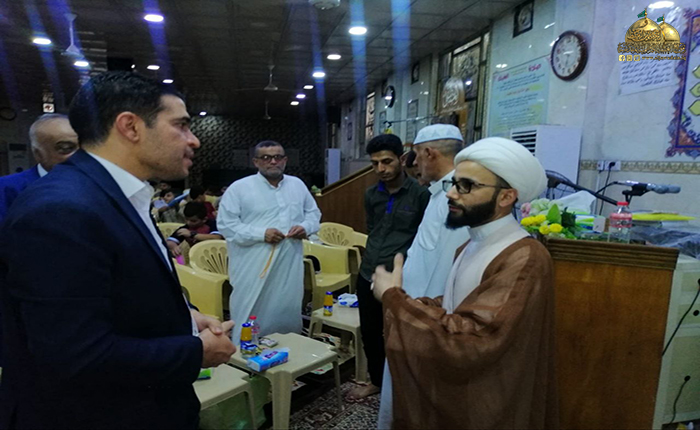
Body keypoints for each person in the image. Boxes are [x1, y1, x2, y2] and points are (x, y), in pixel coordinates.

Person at [0, 71, 236, 429]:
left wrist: (186, 318)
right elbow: (75, 355)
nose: (194, 140)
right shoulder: (62, 209)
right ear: (131, 127)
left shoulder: (116, 194)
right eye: (181, 125)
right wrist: (196, 351)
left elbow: (121, 293)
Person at [372, 137, 558, 429]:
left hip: (489, 398)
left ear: (506, 197)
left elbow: (473, 340)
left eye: (466, 186)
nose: (451, 194)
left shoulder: (524, 257)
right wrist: (413, 303)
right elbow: (456, 305)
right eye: (454, 183)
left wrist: (395, 298)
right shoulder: (471, 244)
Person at [378, 124, 470, 426]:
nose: (414, 163)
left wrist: (422, 314)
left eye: (416, 155)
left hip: (428, 316)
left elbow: (449, 268)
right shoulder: (438, 193)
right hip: (414, 308)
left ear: (430, 153)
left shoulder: (455, 199)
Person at [217, 140, 321, 345]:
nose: (273, 161)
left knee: (287, 306)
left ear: (285, 160)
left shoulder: (297, 185)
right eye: (266, 157)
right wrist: (261, 234)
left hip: (289, 262)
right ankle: (244, 354)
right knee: (250, 310)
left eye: (278, 157)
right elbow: (226, 225)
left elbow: (313, 213)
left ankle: (289, 349)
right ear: (256, 162)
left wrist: (305, 227)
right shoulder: (239, 188)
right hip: (252, 265)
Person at [350, 134, 430, 400]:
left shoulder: (421, 195)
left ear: (402, 159)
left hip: (401, 276)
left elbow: (422, 236)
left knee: (402, 332)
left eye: (387, 161)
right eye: (375, 163)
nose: (381, 169)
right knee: (370, 331)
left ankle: (404, 386)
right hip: (369, 271)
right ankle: (377, 381)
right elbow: (372, 228)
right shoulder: (371, 194)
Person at [0, 114, 79, 222]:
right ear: (38, 154)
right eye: (66, 148)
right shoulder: (7, 189)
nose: (79, 156)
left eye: (86, 149)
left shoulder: (98, 183)